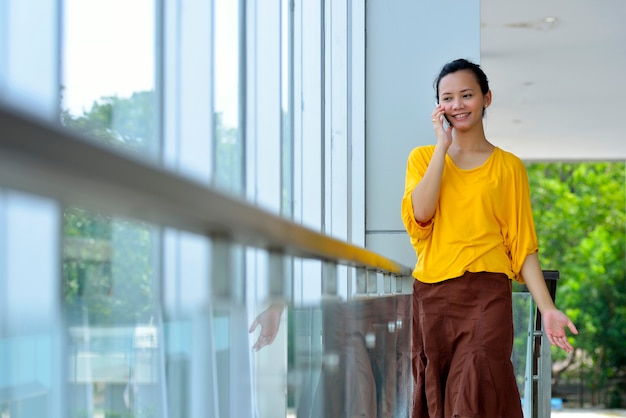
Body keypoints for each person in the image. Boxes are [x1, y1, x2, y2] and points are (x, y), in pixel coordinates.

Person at [401, 58, 578, 418]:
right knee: (437, 390)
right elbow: (421, 214)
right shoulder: (423, 158)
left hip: (487, 295)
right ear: (438, 106)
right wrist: (441, 146)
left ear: (486, 98)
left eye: (467, 95)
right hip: (432, 295)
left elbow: (523, 247)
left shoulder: (508, 167)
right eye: (447, 98)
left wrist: (548, 308)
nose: (457, 105)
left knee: (476, 386)